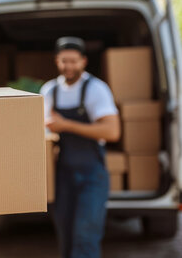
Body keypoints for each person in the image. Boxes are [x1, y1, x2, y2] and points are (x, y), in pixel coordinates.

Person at [40, 37, 121, 258]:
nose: (69, 66)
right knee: (65, 236)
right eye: (64, 61)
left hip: (92, 175)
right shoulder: (49, 91)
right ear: (57, 61)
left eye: (73, 61)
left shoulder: (96, 89)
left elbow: (112, 131)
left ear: (83, 61)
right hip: (63, 174)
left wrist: (66, 125)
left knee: (85, 237)